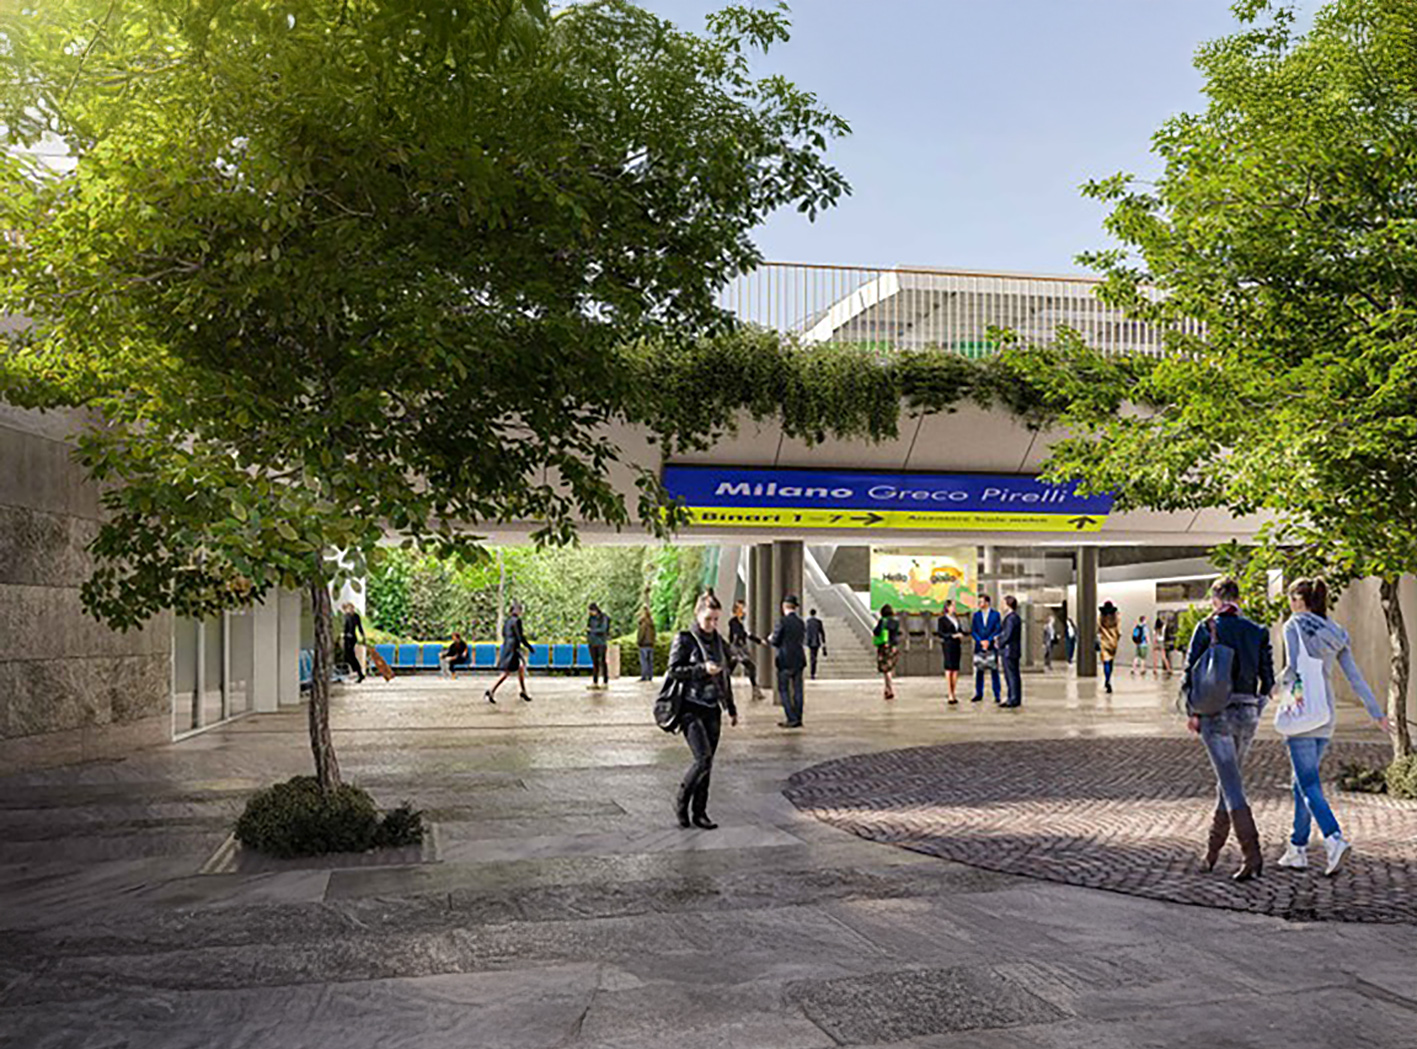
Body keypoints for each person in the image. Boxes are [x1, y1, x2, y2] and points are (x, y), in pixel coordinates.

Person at [1277, 578, 1390, 876]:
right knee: (1301, 781)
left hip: (1302, 711)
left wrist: (1268, 689)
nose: (1290, 603)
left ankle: (1334, 838)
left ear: (1299, 600)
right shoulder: (1337, 631)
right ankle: (1297, 848)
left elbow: (1292, 669)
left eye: (1291, 598)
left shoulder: (1293, 625)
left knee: (1308, 784)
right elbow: (1355, 677)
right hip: (1326, 713)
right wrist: (1376, 712)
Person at [1183, 577, 1275, 882]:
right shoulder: (1257, 630)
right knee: (1228, 780)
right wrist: (1257, 706)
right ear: (1239, 599)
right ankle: (1211, 853)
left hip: (1216, 713)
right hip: (1247, 713)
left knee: (1231, 784)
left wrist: (1192, 711)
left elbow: (1190, 672)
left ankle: (1253, 855)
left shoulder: (1206, 627)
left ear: (1216, 599)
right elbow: (1268, 681)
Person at [668, 592, 738, 829]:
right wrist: (701, 669)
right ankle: (681, 802)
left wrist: (731, 707)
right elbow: (674, 670)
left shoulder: (718, 641)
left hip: (712, 708)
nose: (712, 624)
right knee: (703, 758)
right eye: (708, 619)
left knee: (708, 764)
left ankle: (700, 812)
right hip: (690, 707)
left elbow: (725, 677)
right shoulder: (685, 639)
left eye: (716, 619)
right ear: (697, 615)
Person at [770, 594, 808, 727]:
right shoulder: (800, 622)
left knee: (784, 690)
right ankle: (798, 717)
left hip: (785, 660)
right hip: (799, 659)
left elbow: (776, 641)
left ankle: (791, 718)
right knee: (798, 690)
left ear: (784, 606)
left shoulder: (782, 621)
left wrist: (771, 638)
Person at [486, 601, 533, 704]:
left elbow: (504, 634)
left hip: (507, 646)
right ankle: (491, 690)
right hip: (513, 648)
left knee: (520, 668)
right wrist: (528, 646)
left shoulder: (507, 621)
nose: (520, 611)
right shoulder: (517, 621)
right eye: (519, 609)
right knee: (506, 672)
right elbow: (520, 636)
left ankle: (523, 691)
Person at [727, 600, 765, 702]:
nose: (743, 610)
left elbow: (747, 634)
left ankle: (756, 691)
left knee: (733, 669)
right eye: (741, 609)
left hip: (740, 648)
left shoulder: (742, 622)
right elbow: (737, 635)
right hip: (737, 649)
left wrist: (759, 641)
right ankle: (756, 691)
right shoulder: (733, 622)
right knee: (748, 667)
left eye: (743, 608)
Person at [970, 594, 1002, 703]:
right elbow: (973, 631)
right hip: (979, 646)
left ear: (987, 602)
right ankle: (978, 693)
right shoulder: (976, 615)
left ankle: (997, 694)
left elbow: (998, 629)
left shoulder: (995, 615)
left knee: (994, 670)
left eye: (981, 601)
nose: (979, 604)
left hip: (991, 646)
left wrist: (989, 640)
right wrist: (980, 641)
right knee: (979, 671)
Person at [936, 603, 966, 704]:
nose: (954, 608)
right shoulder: (942, 619)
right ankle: (950, 693)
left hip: (957, 644)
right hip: (948, 645)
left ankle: (954, 691)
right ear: (947, 608)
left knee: (956, 668)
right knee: (949, 668)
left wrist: (961, 634)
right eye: (952, 606)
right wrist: (952, 636)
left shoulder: (956, 619)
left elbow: (959, 629)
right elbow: (940, 633)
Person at [998, 595, 1023, 708]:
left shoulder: (1011, 618)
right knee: (1013, 675)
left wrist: (999, 642)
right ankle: (1014, 697)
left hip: (1009, 650)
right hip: (1013, 650)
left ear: (1008, 604)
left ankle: (1013, 698)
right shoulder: (1014, 617)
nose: (1001, 606)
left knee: (1011, 675)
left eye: (1003, 603)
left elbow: (1008, 634)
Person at [874, 603, 902, 701]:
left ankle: (889, 689)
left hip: (885, 647)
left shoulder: (883, 621)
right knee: (890, 669)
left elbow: (876, 631)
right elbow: (897, 633)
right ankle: (887, 689)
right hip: (893, 647)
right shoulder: (896, 622)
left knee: (886, 670)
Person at [586, 602, 612, 688]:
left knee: (602, 661)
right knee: (595, 662)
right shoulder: (591, 618)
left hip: (601, 643)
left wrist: (592, 630)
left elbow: (603, 629)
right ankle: (595, 681)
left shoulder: (603, 618)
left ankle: (605, 681)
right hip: (592, 643)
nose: (590, 613)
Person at [340, 602, 366, 683]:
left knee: (349, 656)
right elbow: (359, 627)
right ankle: (358, 672)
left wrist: (343, 634)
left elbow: (347, 627)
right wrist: (363, 635)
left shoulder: (348, 617)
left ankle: (357, 671)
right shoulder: (355, 616)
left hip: (349, 638)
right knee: (349, 656)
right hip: (351, 637)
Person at [1098, 602, 1121, 693]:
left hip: (1104, 642)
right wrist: (1116, 637)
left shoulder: (1101, 618)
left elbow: (1098, 628)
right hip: (1113, 642)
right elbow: (1119, 631)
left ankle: (1107, 679)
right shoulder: (1116, 618)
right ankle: (1109, 678)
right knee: (1111, 661)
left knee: (1106, 662)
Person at [805, 609, 828, 680]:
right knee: (814, 657)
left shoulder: (808, 622)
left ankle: (812, 672)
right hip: (816, 641)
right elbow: (822, 633)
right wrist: (823, 642)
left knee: (812, 657)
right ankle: (813, 672)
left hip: (810, 642)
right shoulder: (818, 622)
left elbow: (806, 632)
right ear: (815, 614)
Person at [636, 606, 657, 682]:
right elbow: (654, 634)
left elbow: (641, 634)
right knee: (650, 661)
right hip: (651, 644)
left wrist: (638, 641)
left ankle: (644, 676)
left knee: (644, 661)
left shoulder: (643, 623)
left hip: (644, 644)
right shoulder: (651, 623)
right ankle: (650, 676)